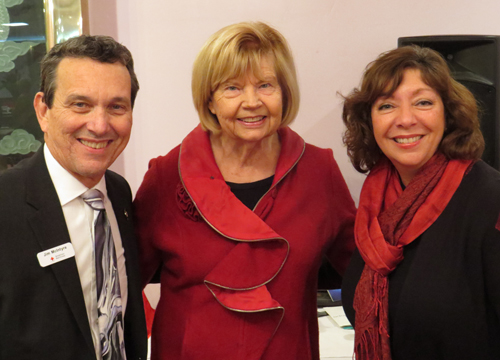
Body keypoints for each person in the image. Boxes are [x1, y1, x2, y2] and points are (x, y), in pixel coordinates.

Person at [134, 21, 356, 360]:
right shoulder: (167, 174)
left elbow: (363, 274)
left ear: (285, 92)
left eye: (265, 85)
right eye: (232, 88)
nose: (251, 102)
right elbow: (122, 283)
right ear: (209, 100)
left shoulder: (318, 170)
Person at [341, 45, 500, 360]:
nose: (405, 119)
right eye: (387, 106)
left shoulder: (490, 200)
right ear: (369, 121)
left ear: (449, 112)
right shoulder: (376, 203)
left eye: (423, 102)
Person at [0, 35, 147, 360]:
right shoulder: (5, 206)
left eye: (116, 107)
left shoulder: (119, 195)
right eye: (80, 104)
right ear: (43, 110)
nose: (99, 124)